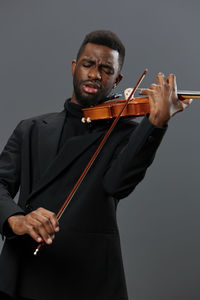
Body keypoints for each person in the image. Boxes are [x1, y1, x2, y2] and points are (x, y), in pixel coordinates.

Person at [0, 30, 190, 300]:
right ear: (75, 67)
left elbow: (116, 184)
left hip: (89, 278)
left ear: (118, 80)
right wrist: (16, 220)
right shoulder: (31, 128)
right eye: (88, 65)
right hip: (27, 270)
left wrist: (155, 124)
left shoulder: (125, 132)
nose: (95, 75)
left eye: (106, 69)